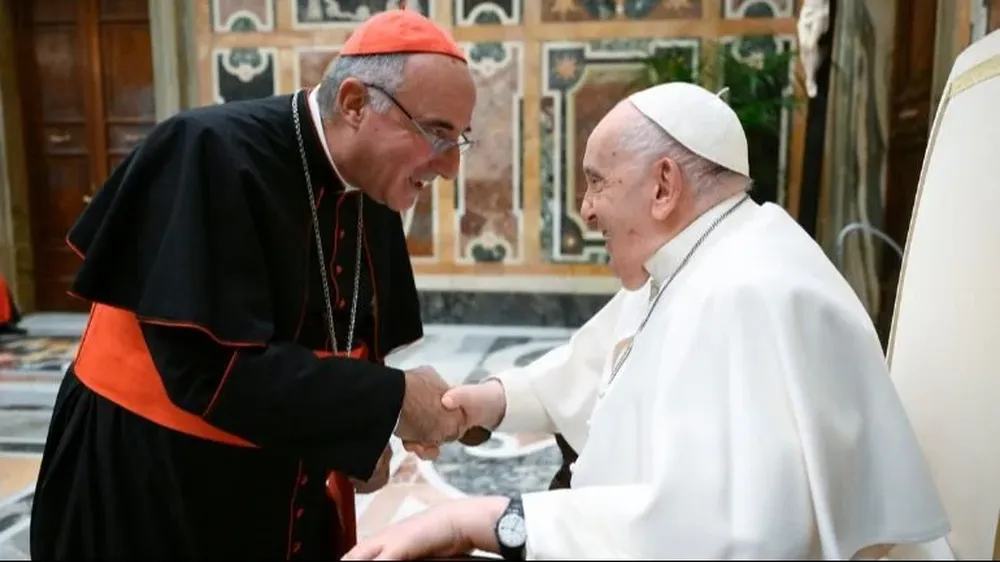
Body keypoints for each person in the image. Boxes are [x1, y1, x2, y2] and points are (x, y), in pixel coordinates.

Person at [345, 82, 951, 560]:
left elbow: (723, 533)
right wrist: (479, 404)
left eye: (596, 182)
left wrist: (474, 521)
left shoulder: (750, 291)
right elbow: (595, 366)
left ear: (664, 186)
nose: (584, 209)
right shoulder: (707, 253)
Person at [30, 8, 477, 561]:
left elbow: (342, 334)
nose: (450, 167)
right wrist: (389, 403)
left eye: (460, 139)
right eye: (437, 132)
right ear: (355, 103)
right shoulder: (206, 150)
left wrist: (356, 434)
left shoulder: (370, 184)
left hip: (281, 475)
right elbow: (206, 372)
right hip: (154, 482)